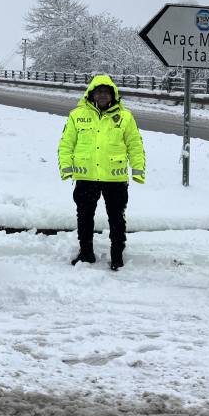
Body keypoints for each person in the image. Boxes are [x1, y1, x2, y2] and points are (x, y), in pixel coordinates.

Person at [58, 74, 146, 270]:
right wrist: (66, 168)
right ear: (91, 94)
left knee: (116, 218)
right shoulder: (77, 115)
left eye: (107, 92)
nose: (103, 95)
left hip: (115, 178)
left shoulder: (125, 117)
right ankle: (86, 253)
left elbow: (135, 145)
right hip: (86, 176)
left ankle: (117, 255)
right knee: (84, 217)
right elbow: (66, 144)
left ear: (113, 95)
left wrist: (138, 170)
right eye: (99, 92)